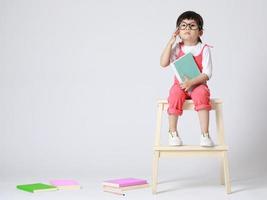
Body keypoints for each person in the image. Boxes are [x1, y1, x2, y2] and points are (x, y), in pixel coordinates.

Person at [160, 11, 214, 147]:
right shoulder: (177, 48)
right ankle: (172, 132)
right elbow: (163, 63)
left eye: (192, 26)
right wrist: (171, 42)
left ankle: (205, 134)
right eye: (183, 26)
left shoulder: (204, 49)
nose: (187, 28)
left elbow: (207, 73)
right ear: (178, 31)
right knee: (174, 94)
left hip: (197, 85)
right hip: (180, 86)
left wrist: (191, 82)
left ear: (200, 32)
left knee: (202, 93)